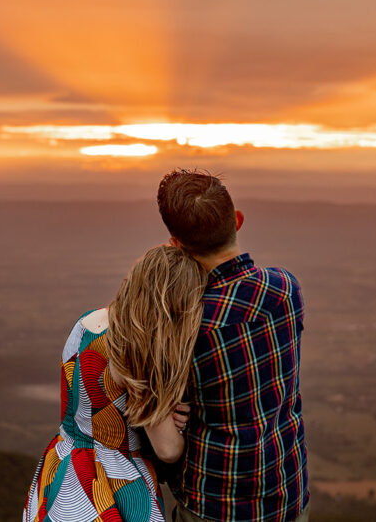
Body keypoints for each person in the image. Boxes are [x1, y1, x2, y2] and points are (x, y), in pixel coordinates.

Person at [157, 169, 308, 522]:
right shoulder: (285, 289)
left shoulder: (183, 325)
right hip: (287, 496)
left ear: (175, 242)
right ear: (237, 221)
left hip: (213, 506)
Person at [23, 245, 204, 522]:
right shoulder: (139, 350)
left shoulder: (86, 322)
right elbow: (167, 450)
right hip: (116, 483)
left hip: (63, 465)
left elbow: (97, 400)